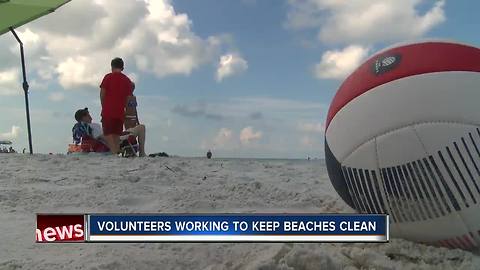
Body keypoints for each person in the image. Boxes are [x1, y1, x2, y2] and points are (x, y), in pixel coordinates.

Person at [73, 107, 147, 157]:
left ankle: (141, 153)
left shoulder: (85, 128)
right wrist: (119, 140)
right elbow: (104, 138)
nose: (90, 115)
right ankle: (142, 153)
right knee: (141, 127)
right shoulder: (93, 126)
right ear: (84, 117)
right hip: (115, 139)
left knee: (138, 128)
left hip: (113, 137)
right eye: (88, 114)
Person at [100, 57, 134, 155]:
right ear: (122, 68)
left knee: (108, 133)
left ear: (112, 66)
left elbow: (102, 93)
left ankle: (114, 152)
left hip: (108, 109)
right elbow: (128, 98)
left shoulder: (108, 77)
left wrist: (103, 106)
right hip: (120, 111)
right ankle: (116, 151)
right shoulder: (127, 80)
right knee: (116, 133)